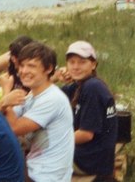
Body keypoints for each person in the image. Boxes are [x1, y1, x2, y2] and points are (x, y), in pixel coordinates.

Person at [0, 41, 74, 182]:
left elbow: (13, 128)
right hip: (34, 167)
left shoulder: (52, 98)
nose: (23, 71)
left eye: (31, 66)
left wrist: (6, 93)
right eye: (22, 65)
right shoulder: (33, 94)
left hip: (45, 177)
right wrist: (3, 103)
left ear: (48, 69)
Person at [58, 41, 118, 181]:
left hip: (89, 162)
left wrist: (53, 143)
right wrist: (55, 78)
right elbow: (48, 98)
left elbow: (85, 134)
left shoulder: (93, 88)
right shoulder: (78, 86)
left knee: (30, 160)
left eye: (82, 62)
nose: (76, 67)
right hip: (93, 159)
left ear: (93, 64)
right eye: (71, 62)